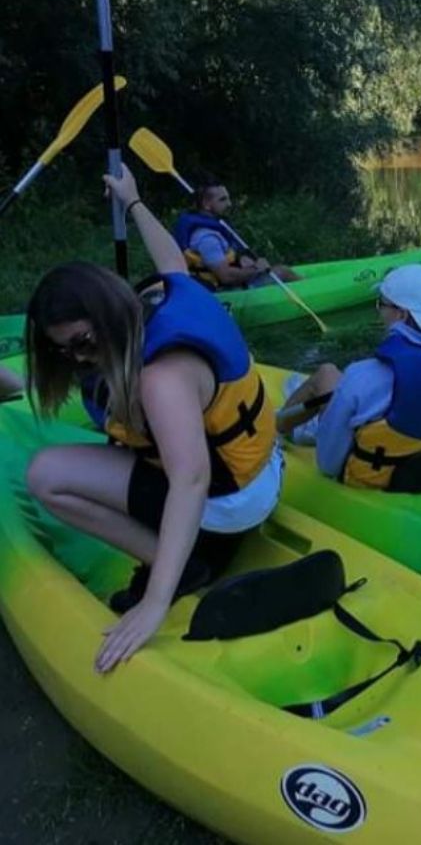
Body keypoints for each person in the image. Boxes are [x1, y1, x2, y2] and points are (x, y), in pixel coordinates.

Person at [24, 166, 282, 673]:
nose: (79, 359)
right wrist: (134, 200)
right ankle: (187, 553)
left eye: (83, 342)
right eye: (64, 351)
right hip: (263, 470)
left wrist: (155, 602)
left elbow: (190, 479)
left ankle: (183, 568)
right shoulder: (166, 297)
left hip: (226, 498)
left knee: (45, 476)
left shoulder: (159, 378)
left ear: (105, 312)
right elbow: (173, 261)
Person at [280, 264, 421, 491]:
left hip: (382, 480)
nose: (379, 312)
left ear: (401, 314)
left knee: (327, 374)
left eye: (381, 304)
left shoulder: (363, 376)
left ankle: (275, 431)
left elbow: (328, 464)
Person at [172, 179, 300, 290]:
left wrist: (242, 258)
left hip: (230, 284)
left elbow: (229, 256)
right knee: (283, 272)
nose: (229, 204)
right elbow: (226, 276)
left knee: (282, 270)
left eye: (228, 198)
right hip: (225, 292)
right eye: (223, 200)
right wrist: (256, 269)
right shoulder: (207, 238)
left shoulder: (215, 227)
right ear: (206, 205)